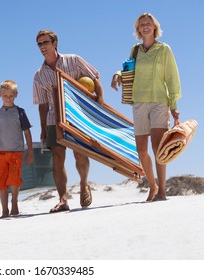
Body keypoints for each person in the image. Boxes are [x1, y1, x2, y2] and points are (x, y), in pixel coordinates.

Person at [111, 13, 181, 202]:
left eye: (148, 24)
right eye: (142, 24)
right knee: (141, 149)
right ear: (138, 29)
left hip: (159, 101)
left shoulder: (164, 49)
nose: (145, 26)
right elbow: (129, 68)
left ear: (155, 27)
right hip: (139, 102)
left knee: (158, 148)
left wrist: (174, 105)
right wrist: (118, 74)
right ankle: (152, 185)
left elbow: (172, 78)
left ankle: (162, 191)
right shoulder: (135, 50)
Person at [33, 30, 105, 213]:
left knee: (80, 153)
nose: (42, 47)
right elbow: (42, 105)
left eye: (45, 42)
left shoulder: (73, 60)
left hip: (76, 116)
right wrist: (42, 129)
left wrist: (100, 103)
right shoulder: (39, 75)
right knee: (57, 159)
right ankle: (63, 199)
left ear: (55, 43)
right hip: (52, 119)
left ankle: (83, 183)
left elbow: (95, 77)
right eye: (39, 44)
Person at [0, 80, 34, 218]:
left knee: (14, 180)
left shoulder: (20, 112)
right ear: (0, 95)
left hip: (16, 152)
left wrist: (30, 151)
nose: (8, 98)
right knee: (0, 181)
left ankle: (14, 203)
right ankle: (4, 210)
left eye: (11, 95)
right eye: (5, 95)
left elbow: (27, 133)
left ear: (16, 95)